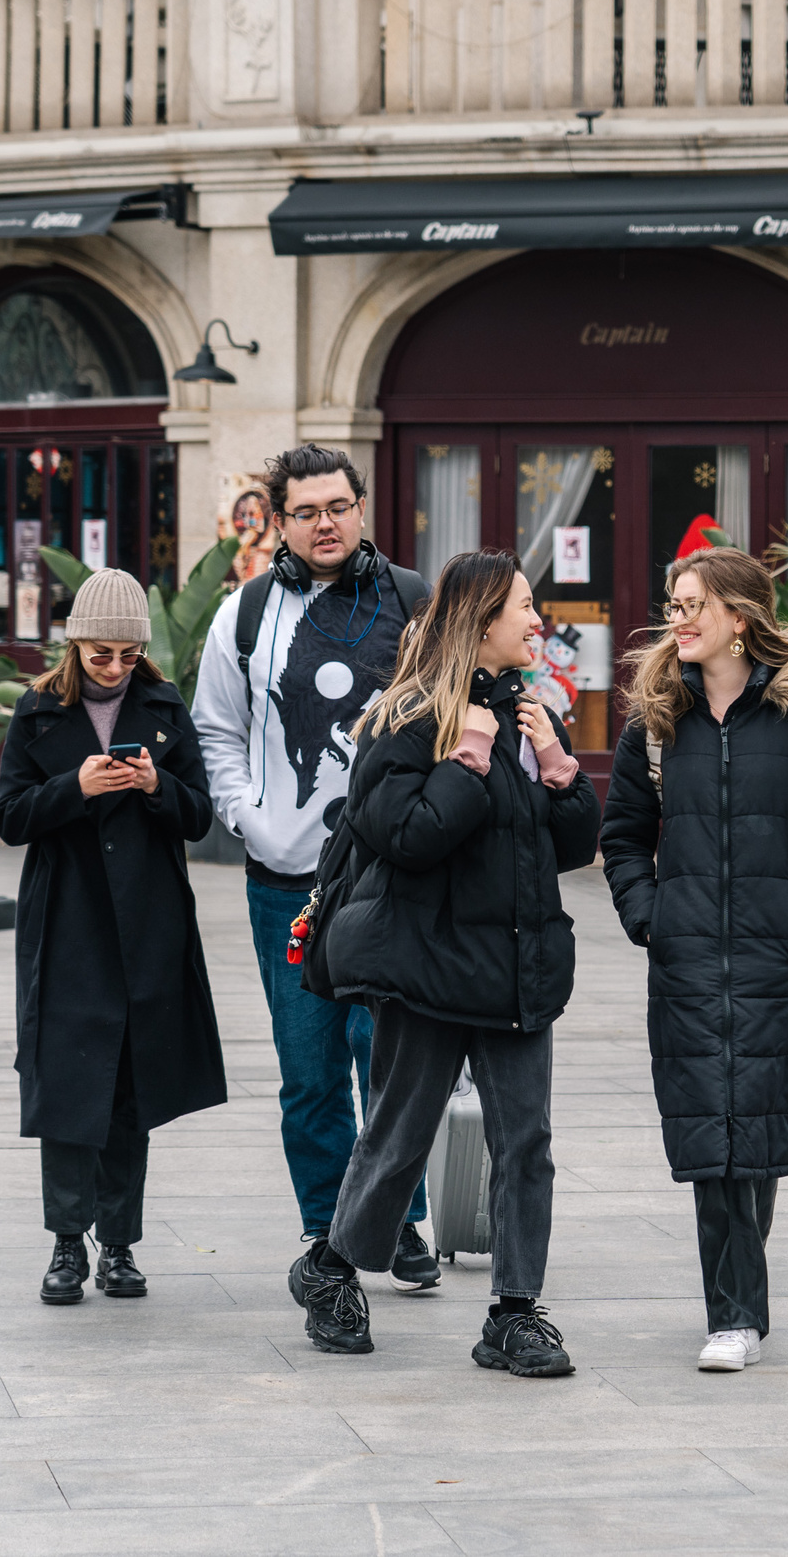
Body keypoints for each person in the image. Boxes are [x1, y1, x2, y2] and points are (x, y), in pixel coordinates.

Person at [290, 550, 599, 1372]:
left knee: (525, 1143)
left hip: (516, 970)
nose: (539, 623)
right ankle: (332, 1268)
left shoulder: (530, 713)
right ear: (481, 619)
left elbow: (566, 848)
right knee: (399, 1135)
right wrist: (464, 759)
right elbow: (402, 837)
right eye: (526, 608)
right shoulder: (411, 716)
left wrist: (564, 777)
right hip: (427, 969)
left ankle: (515, 1311)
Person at [598, 547, 788, 1373]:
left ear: (739, 620)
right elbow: (621, 840)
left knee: (756, 1134)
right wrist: (651, 921)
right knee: (710, 1138)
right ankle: (733, 1317)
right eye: (674, 603)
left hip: (775, 960)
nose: (675, 619)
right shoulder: (655, 720)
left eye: (692, 606)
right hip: (685, 962)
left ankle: (739, 1301)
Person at [191, 446, 440, 1291]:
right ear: (279, 521)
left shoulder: (415, 603)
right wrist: (247, 818)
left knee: (393, 1064)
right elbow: (215, 732)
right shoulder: (246, 616)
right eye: (306, 511)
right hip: (285, 878)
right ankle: (324, 1229)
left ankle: (399, 1221)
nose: (325, 523)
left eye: (339, 506)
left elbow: (458, 709)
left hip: (392, 874)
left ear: (362, 507)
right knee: (309, 1071)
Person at [0, 570, 228, 1303]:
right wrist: (76, 789)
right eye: (101, 653)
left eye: (128, 654)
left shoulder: (162, 705)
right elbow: (10, 819)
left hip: (148, 921)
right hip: (67, 922)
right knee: (66, 1085)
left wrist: (158, 787)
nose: (116, 667)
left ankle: (118, 1246)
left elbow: (199, 817)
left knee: (131, 1086)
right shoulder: (35, 713)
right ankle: (67, 1243)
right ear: (74, 645)